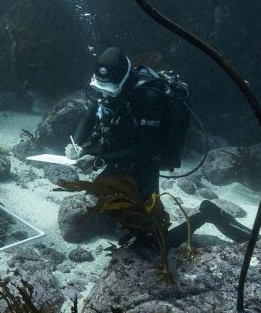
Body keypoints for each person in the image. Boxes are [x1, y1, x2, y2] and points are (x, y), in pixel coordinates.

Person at [66, 46, 190, 202]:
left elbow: (147, 149)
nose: (104, 94)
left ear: (123, 80)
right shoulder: (106, 91)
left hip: (144, 163)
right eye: (100, 88)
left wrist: (99, 160)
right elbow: (88, 119)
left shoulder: (150, 99)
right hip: (117, 157)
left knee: (144, 212)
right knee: (94, 203)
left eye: (109, 90)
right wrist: (77, 145)